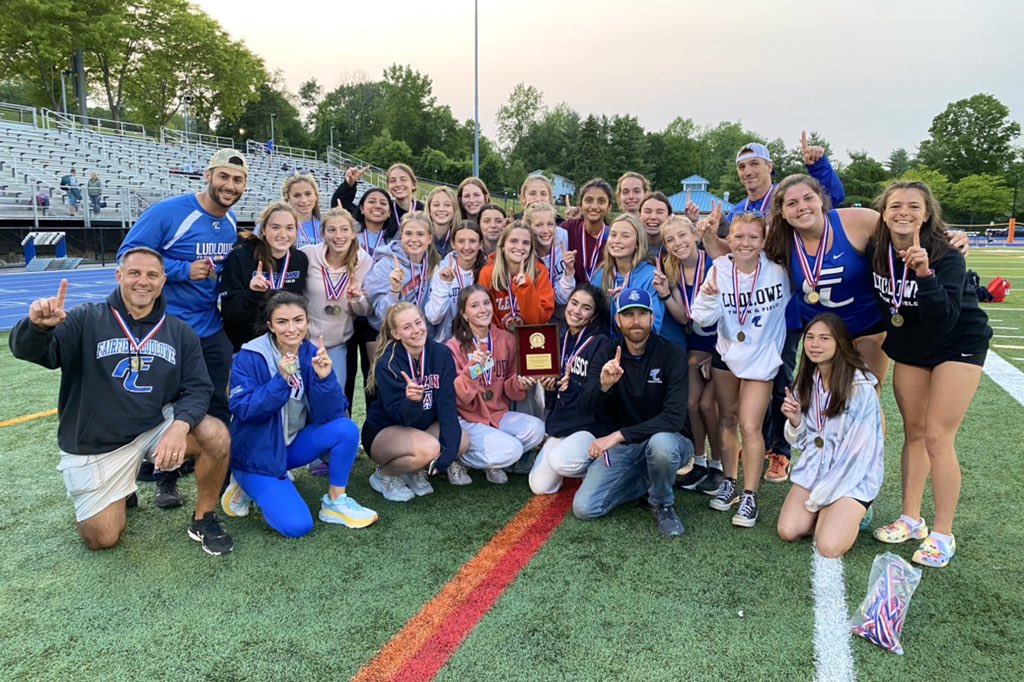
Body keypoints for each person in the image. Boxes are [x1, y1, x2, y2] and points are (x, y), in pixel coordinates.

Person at [9, 248, 233, 555]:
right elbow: (35, 352)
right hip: (98, 442)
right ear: (119, 277)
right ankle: (121, 486)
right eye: (135, 273)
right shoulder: (85, 318)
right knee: (102, 539)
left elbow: (198, 389)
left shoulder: (179, 332)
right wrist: (38, 328)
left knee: (215, 433)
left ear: (163, 280)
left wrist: (179, 427)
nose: (144, 282)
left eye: (152, 275)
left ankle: (204, 517)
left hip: (153, 427)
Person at [697, 135, 846, 486]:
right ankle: (754, 448)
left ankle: (779, 451)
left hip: (784, 311)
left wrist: (818, 166)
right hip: (745, 315)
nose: (748, 171)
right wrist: (707, 236)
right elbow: (731, 256)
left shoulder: (784, 199)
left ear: (770, 167)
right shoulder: (735, 211)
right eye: (742, 166)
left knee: (780, 384)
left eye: (755, 164)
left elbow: (830, 199)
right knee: (743, 400)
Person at [868, 181, 992, 568]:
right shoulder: (876, 249)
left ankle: (942, 532)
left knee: (939, 435)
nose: (903, 212)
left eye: (913, 206)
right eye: (895, 205)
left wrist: (924, 273)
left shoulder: (946, 253)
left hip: (958, 341)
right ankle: (911, 517)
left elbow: (944, 320)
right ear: (884, 212)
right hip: (912, 345)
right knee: (915, 432)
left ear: (927, 212)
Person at [117, 149, 246, 505]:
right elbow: (127, 256)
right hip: (165, 328)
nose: (229, 185)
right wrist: (182, 270)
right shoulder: (170, 212)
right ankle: (162, 477)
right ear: (208, 176)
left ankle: (221, 475)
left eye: (237, 180)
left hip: (208, 326)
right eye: (223, 177)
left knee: (219, 401)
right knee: (160, 404)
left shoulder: (231, 222)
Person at [222, 292, 377, 535]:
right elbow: (244, 409)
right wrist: (280, 380)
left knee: (345, 429)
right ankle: (244, 484)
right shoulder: (249, 356)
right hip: (256, 454)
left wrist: (325, 380)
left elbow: (332, 414)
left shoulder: (310, 352)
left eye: (298, 320)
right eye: (282, 322)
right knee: (297, 526)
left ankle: (335, 501)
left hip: (290, 447)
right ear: (270, 326)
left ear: (307, 322)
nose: (292, 329)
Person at [690, 212, 792, 528]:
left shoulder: (779, 271)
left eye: (752, 237)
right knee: (727, 418)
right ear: (729, 240)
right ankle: (729, 481)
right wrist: (708, 299)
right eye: (738, 237)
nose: (745, 243)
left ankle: (750, 494)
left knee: (750, 425)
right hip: (727, 355)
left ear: (763, 241)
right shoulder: (720, 268)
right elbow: (701, 319)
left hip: (761, 358)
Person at [574, 288, 692, 538]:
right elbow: (585, 407)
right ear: (618, 320)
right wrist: (604, 386)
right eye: (628, 315)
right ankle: (647, 481)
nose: (635, 321)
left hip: (669, 441)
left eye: (642, 314)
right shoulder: (607, 351)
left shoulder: (672, 354)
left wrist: (618, 435)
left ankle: (662, 503)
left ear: (652, 318)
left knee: (660, 446)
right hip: (626, 449)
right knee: (585, 508)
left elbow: (673, 419)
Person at [777, 313, 884, 557]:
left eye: (825, 338)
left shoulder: (860, 387)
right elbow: (805, 441)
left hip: (851, 476)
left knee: (828, 546)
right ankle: (831, 514)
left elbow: (858, 456)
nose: (815, 345)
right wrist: (795, 421)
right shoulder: (809, 380)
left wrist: (822, 496)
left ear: (840, 343)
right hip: (817, 469)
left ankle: (860, 510)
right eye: (810, 338)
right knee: (788, 530)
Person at [361, 303, 468, 500]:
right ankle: (384, 476)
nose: (416, 330)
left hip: (423, 427)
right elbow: (401, 417)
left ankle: (415, 469)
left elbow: (447, 405)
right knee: (429, 448)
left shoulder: (441, 354)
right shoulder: (388, 362)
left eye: (418, 322)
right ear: (396, 334)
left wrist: (446, 458)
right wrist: (412, 401)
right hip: (387, 431)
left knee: (461, 440)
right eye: (407, 327)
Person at [653, 214, 724, 493]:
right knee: (691, 403)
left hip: (723, 345)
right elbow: (685, 318)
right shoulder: (672, 270)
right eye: (670, 240)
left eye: (682, 235)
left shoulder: (716, 263)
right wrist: (665, 294)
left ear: (695, 234)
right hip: (696, 343)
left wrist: (714, 354)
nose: (677, 243)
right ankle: (699, 462)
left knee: (709, 405)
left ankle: (719, 465)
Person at [446, 286, 546, 483]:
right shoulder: (453, 346)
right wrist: (472, 371)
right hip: (468, 418)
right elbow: (459, 398)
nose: (483, 310)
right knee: (513, 450)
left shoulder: (505, 339)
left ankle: (492, 461)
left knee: (537, 429)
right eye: (474, 306)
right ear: (464, 314)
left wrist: (519, 382)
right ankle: (455, 459)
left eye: (486, 303)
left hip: (497, 413)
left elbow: (509, 386)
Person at [529, 284, 612, 494]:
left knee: (560, 462)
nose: (576, 311)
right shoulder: (560, 338)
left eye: (585, 308)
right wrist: (550, 386)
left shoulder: (601, 343)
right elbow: (552, 399)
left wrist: (571, 387)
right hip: (563, 424)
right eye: (574, 303)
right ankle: (572, 454)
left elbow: (594, 399)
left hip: (590, 426)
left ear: (593, 316)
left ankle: (597, 462)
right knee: (539, 486)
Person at [220, 202, 308, 352]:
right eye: (275, 227)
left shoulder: (299, 260)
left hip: (285, 346)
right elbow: (229, 314)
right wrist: (252, 294)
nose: (283, 234)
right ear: (263, 230)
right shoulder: (240, 257)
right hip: (246, 347)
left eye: (289, 228)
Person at [300, 207, 372, 391]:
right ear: (323, 233)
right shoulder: (307, 255)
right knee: (300, 396)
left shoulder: (364, 261)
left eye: (344, 229)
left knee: (333, 395)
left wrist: (357, 299)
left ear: (354, 233)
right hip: (303, 341)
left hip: (338, 343)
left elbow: (365, 311)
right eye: (331, 230)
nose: (338, 235)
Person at [590, 213, 665, 337]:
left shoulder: (650, 277)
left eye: (625, 236)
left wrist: (625, 302)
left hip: (642, 349)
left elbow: (653, 327)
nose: (617, 240)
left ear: (637, 243)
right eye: (613, 235)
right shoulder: (601, 274)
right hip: (608, 346)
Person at [364, 211, 439, 331]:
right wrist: (394, 291)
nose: (414, 239)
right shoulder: (386, 264)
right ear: (401, 236)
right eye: (408, 234)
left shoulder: (434, 264)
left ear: (429, 238)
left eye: (420, 234)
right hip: (390, 332)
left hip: (421, 332)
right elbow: (382, 314)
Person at [478, 221, 555, 331]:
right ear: (503, 245)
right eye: (513, 241)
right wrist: (504, 340)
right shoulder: (488, 273)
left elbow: (539, 320)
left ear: (531, 248)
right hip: (498, 340)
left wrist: (526, 288)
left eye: (526, 243)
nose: (520, 247)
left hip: (531, 339)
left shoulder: (539, 272)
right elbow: (487, 318)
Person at [425, 220, 485, 342]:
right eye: (461, 241)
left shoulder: (487, 271)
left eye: (472, 241)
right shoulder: (441, 270)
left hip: (480, 341)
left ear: (480, 244)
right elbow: (433, 317)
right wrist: (444, 284)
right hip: (447, 343)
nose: (467, 247)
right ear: (453, 244)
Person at [523, 201, 574, 317]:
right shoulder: (523, 251)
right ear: (528, 227)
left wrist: (569, 272)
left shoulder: (564, 238)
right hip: (534, 312)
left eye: (550, 224)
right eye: (538, 225)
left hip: (561, 311)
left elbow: (564, 297)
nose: (546, 230)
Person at [564, 179, 614, 285]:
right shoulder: (569, 228)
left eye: (601, 201)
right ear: (581, 205)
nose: (594, 206)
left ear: (609, 207)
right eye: (589, 200)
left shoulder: (613, 237)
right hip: (570, 297)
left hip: (601, 298)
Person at [282, 173, 323, 248]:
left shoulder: (326, 225)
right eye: (297, 195)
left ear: (316, 196)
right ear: (288, 198)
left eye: (308, 194)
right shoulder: (274, 225)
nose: (304, 200)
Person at [425, 186, 462, 256]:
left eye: (447, 205)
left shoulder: (461, 238)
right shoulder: (419, 236)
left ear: (454, 209)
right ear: (429, 209)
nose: (441, 209)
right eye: (436, 205)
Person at [639, 191, 672, 259]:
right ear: (639, 215)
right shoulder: (631, 247)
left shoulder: (675, 247)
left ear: (669, 217)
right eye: (648, 212)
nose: (653, 217)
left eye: (659, 212)